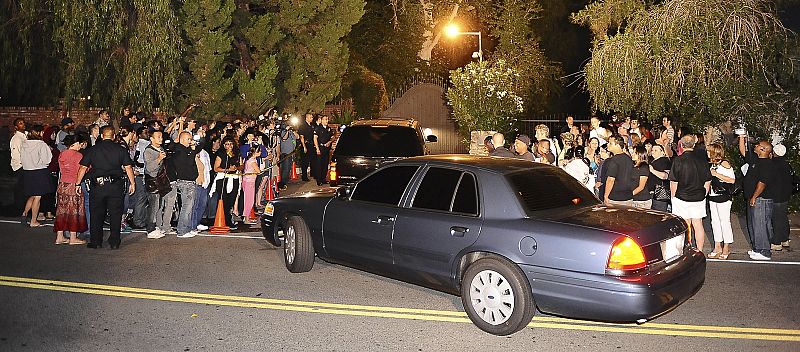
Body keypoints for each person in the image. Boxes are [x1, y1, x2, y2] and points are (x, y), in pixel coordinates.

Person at [75, 126, 136, 249]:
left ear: (102, 136)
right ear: (113, 136)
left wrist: (77, 183)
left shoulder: (93, 150)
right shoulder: (120, 149)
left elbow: (83, 167)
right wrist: (132, 183)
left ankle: (96, 241)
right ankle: (114, 242)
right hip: (115, 186)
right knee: (115, 214)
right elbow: (128, 167)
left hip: (97, 186)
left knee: (96, 213)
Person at [669, 134, 712, 253]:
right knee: (698, 224)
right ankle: (700, 250)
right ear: (693, 145)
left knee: (685, 224)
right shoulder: (701, 160)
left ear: (681, 145)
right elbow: (708, 180)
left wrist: (673, 197)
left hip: (681, 196)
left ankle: (686, 248)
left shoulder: (678, 160)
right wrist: (704, 193)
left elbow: (674, 181)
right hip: (698, 196)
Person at [739, 136, 777, 260]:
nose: (755, 146)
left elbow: (762, 183)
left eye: (757, 145)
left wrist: (755, 196)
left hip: (761, 199)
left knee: (761, 224)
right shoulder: (756, 159)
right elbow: (743, 151)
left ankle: (764, 251)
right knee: (753, 224)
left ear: (763, 149)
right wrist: (741, 137)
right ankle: (757, 248)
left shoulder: (767, 164)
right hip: (754, 197)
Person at [161, 132, 201, 238]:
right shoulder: (179, 150)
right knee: (186, 207)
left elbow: (199, 146)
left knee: (189, 206)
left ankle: (187, 228)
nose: (190, 141)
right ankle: (182, 230)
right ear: (182, 139)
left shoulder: (186, 149)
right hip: (185, 181)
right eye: (188, 139)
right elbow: (187, 162)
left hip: (190, 180)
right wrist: (192, 151)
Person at [54, 134, 88, 245]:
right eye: (80, 143)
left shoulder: (62, 154)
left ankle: (60, 236)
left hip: (62, 184)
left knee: (61, 210)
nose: (81, 146)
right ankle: (73, 237)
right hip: (74, 185)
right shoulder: (78, 155)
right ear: (75, 143)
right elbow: (84, 169)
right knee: (75, 210)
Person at [20, 125, 54, 227]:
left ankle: (24, 214)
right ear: (39, 133)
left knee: (33, 195)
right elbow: (47, 159)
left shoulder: (24, 143)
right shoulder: (41, 144)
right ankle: (34, 221)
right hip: (39, 172)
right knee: (38, 197)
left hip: (27, 172)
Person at [706, 143, 735, 260]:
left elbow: (732, 180)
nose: (707, 153)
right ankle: (717, 246)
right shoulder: (711, 164)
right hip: (713, 196)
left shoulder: (724, 163)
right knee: (715, 222)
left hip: (723, 197)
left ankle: (726, 247)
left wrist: (717, 174)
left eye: (709, 151)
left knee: (724, 222)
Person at [211, 137, 241, 229]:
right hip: (223, 179)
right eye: (227, 144)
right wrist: (227, 169)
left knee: (232, 199)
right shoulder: (221, 154)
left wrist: (237, 168)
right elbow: (216, 168)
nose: (229, 146)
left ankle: (229, 218)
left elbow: (241, 165)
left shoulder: (237, 154)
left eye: (231, 144)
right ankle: (226, 220)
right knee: (224, 200)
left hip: (234, 178)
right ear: (224, 145)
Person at [144, 130, 169, 239]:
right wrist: (159, 159)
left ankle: (154, 226)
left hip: (160, 181)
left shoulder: (161, 149)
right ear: (152, 139)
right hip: (152, 181)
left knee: (158, 205)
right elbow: (149, 168)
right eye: (158, 137)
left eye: (161, 137)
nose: (161, 139)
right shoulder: (148, 151)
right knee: (153, 206)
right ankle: (150, 229)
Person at [769, 144, 793, 251]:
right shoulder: (787, 164)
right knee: (783, 217)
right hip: (785, 195)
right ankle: (785, 239)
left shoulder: (773, 164)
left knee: (776, 219)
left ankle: (777, 242)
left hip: (776, 195)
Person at [602, 135, 634, 207]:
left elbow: (610, 179)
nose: (608, 145)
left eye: (610, 143)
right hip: (628, 196)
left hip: (615, 198)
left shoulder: (614, 160)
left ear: (617, 145)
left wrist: (606, 196)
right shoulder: (628, 158)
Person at [648, 144, 672, 211]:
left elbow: (665, 176)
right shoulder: (652, 161)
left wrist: (652, 170)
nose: (653, 152)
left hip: (660, 193)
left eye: (656, 150)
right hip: (653, 193)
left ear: (662, 152)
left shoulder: (665, 161)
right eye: (652, 150)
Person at [242, 147, 261, 223]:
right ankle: (246, 218)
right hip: (250, 182)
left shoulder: (249, 160)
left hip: (247, 181)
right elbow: (258, 171)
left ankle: (246, 217)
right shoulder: (253, 161)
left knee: (247, 199)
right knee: (249, 201)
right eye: (259, 151)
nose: (260, 153)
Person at [313, 115, 334, 185]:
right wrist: (317, 148)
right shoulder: (318, 128)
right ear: (321, 120)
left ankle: (323, 179)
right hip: (320, 148)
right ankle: (319, 181)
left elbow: (332, 137)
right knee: (319, 165)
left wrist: (329, 142)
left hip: (326, 149)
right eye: (325, 119)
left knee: (325, 165)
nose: (327, 121)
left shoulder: (329, 128)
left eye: (327, 119)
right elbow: (315, 138)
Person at [630, 145, 652, 209]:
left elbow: (641, 186)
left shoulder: (644, 167)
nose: (632, 154)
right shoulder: (633, 166)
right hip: (634, 200)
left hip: (641, 201)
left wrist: (629, 195)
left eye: (635, 153)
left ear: (641, 154)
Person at [278, 124, 297, 190]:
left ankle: (285, 182)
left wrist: (294, 131)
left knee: (288, 169)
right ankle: (282, 183)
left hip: (291, 153)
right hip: (285, 154)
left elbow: (297, 137)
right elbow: (284, 138)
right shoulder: (283, 132)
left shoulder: (292, 132)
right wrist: (287, 131)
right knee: (285, 169)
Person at [297, 113, 315, 182]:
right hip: (306, 145)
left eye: (312, 117)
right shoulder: (303, 126)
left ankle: (312, 174)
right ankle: (304, 176)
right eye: (310, 117)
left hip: (311, 145)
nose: (312, 118)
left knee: (311, 160)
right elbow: (302, 137)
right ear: (307, 118)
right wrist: (304, 146)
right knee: (305, 162)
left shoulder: (311, 126)